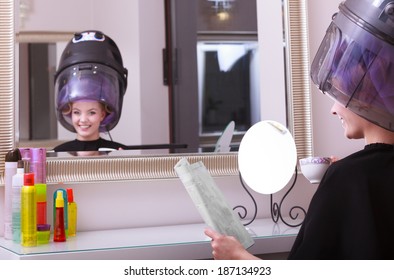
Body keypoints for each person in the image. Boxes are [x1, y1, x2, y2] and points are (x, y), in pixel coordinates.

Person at [205, 0, 394, 260]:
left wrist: (237, 256)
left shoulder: (348, 178)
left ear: (366, 93)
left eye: (340, 94)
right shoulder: (349, 178)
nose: (334, 109)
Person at [53, 30, 129, 152]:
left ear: (102, 115)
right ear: (70, 113)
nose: (83, 119)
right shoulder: (59, 153)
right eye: (77, 112)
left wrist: (122, 164)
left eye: (92, 112)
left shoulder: (117, 152)